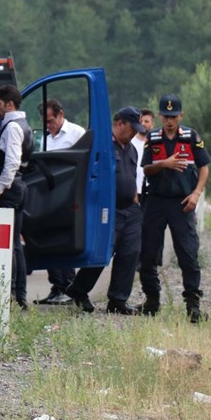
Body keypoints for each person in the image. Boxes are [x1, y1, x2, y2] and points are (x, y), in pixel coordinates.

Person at [138, 94, 211, 323]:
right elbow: (147, 169)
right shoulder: (154, 137)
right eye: (165, 116)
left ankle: (193, 306)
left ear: (181, 115)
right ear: (160, 115)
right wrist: (165, 164)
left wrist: (196, 194)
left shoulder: (191, 137)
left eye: (173, 116)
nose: (169, 120)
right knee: (148, 253)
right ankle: (152, 300)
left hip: (182, 202)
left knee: (188, 254)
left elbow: (204, 168)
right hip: (156, 201)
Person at [65, 107, 145, 315]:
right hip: (108, 210)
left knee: (130, 253)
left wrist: (136, 200)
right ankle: (79, 289)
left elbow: (132, 177)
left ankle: (118, 300)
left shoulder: (131, 149)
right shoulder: (101, 147)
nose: (135, 133)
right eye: (131, 128)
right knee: (103, 253)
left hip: (130, 208)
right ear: (119, 124)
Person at [34, 99, 85, 306]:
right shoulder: (46, 139)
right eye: (45, 123)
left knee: (65, 240)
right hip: (50, 195)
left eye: (51, 120)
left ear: (61, 114)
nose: (49, 125)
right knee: (50, 240)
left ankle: (69, 285)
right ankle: (56, 286)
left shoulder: (76, 134)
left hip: (70, 195)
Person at [0, 85, 33, 310]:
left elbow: (12, 161)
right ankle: (19, 296)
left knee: (8, 243)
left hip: (11, 188)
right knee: (15, 242)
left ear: (9, 104)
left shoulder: (14, 127)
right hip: (19, 186)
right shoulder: (18, 125)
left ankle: (13, 295)